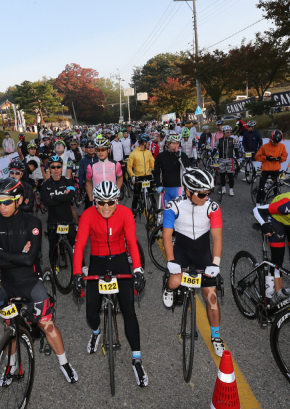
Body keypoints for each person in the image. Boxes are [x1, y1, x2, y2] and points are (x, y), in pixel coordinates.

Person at [0, 178, 79, 383]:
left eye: (7, 202)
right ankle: (13, 366)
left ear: (18, 200)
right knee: (11, 328)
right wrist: (16, 255)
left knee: (48, 326)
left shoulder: (32, 222)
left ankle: (64, 363)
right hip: (8, 286)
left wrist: (2, 253)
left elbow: (30, 258)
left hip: (31, 283)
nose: (2, 206)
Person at [72, 181, 148, 387]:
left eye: (110, 202)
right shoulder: (88, 215)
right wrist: (77, 273)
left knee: (129, 310)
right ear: (94, 200)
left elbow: (131, 242)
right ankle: (96, 333)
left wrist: (138, 269)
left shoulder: (124, 213)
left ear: (117, 200)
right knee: (90, 311)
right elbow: (79, 245)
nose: (106, 207)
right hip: (97, 260)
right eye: (101, 202)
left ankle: (137, 359)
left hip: (120, 260)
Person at [161, 169, 225, 356]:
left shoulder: (212, 207)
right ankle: (168, 288)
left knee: (211, 297)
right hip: (182, 251)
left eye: (208, 193)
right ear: (188, 192)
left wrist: (215, 263)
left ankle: (216, 336)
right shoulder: (173, 206)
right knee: (174, 281)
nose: (207, 197)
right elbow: (166, 236)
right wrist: (171, 260)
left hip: (203, 253)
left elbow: (217, 237)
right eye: (202, 193)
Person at [40, 155, 76, 262]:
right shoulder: (45, 185)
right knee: (52, 247)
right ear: (49, 169)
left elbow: (70, 196)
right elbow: (46, 201)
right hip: (53, 221)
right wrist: (63, 198)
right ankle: (53, 269)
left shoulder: (69, 181)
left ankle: (82, 266)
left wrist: (54, 197)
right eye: (53, 167)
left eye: (58, 167)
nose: (56, 169)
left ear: (62, 168)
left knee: (76, 246)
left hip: (68, 220)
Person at [154, 133, 190, 206]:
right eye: (173, 143)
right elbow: (156, 172)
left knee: (179, 212)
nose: (175, 146)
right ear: (167, 144)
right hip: (165, 188)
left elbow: (187, 168)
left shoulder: (182, 155)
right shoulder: (161, 156)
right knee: (167, 211)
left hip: (179, 188)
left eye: (177, 143)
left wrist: (180, 157)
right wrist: (158, 184)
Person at [85, 137, 123, 204]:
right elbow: (88, 183)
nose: (100, 152)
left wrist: (117, 192)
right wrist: (91, 200)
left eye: (103, 149)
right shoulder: (91, 167)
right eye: (98, 150)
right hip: (97, 201)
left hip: (112, 200)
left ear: (108, 150)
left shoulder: (116, 164)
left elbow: (120, 178)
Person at [254, 129, 287, 203]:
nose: (275, 144)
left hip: (275, 170)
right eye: (274, 142)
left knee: (276, 187)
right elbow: (257, 157)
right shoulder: (264, 146)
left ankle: (275, 202)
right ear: (271, 138)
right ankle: (258, 203)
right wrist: (266, 158)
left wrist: (280, 158)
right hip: (266, 169)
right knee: (261, 187)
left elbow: (284, 157)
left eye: (277, 142)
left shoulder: (282, 146)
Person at [127, 133, 156, 214]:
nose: (149, 144)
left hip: (148, 176)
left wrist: (157, 170)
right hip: (138, 177)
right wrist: (132, 175)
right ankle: (133, 211)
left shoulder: (148, 152)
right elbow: (129, 167)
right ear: (144, 142)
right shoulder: (133, 153)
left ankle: (155, 209)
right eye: (148, 142)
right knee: (136, 195)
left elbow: (152, 164)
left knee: (151, 194)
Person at [214, 125, 238, 196]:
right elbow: (215, 149)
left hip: (230, 159)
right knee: (222, 175)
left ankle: (231, 190)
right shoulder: (219, 141)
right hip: (221, 159)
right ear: (224, 132)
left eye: (230, 132)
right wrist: (212, 156)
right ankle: (223, 188)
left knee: (230, 175)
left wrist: (238, 158)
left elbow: (236, 150)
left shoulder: (233, 140)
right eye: (227, 132)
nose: (229, 133)